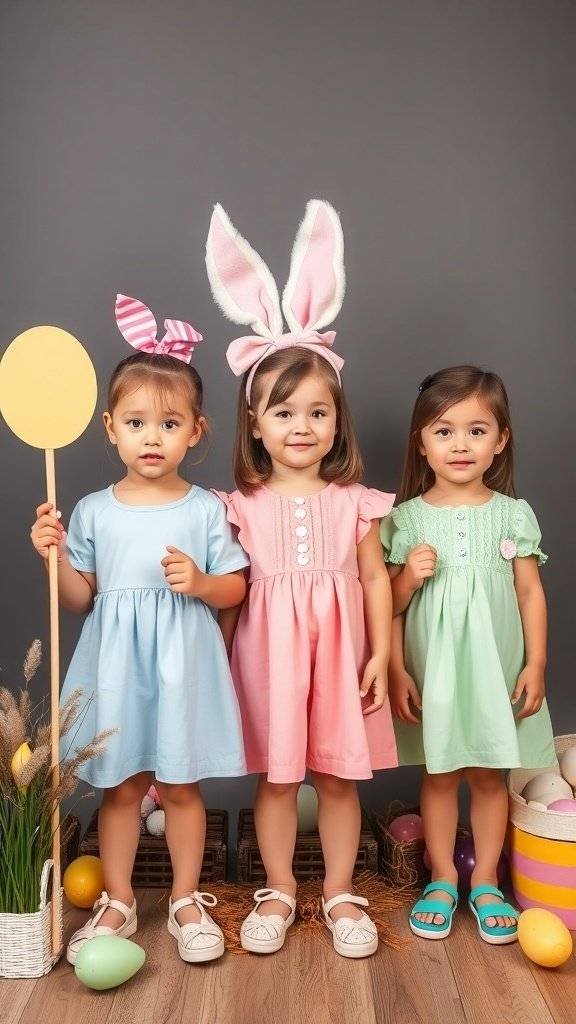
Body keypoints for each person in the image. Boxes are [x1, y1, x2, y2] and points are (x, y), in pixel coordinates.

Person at [31, 294, 249, 964]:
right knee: (123, 786)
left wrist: (203, 585)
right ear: (109, 428)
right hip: (117, 666)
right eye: (136, 422)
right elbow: (78, 601)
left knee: (181, 787)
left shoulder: (206, 508)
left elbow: (237, 586)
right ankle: (119, 899)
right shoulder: (93, 511)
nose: (152, 436)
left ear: (196, 431)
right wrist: (55, 555)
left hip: (182, 662)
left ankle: (185, 898)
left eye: (169, 422)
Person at [206, 200, 397, 958]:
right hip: (270, 661)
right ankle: (281, 888)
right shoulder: (239, 506)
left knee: (341, 781)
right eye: (283, 412)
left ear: (337, 421)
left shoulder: (357, 501)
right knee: (280, 780)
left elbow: (377, 580)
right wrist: (214, 665)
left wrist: (381, 653)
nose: (301, 427)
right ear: (254, 422)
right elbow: (227, 592)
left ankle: (343, 889)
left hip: (342, 655)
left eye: (318, 412)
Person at [382, 365, 555, 944]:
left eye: (477, 430)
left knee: (487, 775)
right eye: (444, 430)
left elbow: (530, 592)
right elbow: (391, 605)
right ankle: (440, 878)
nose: (460, 444)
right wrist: (407, 579)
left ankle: (484, 878)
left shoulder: (511, 513)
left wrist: (535, 664)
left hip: (494, 671)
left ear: (500, 439)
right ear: (421, 442)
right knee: (439, 773)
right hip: (434, 673)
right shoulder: (404, 519)